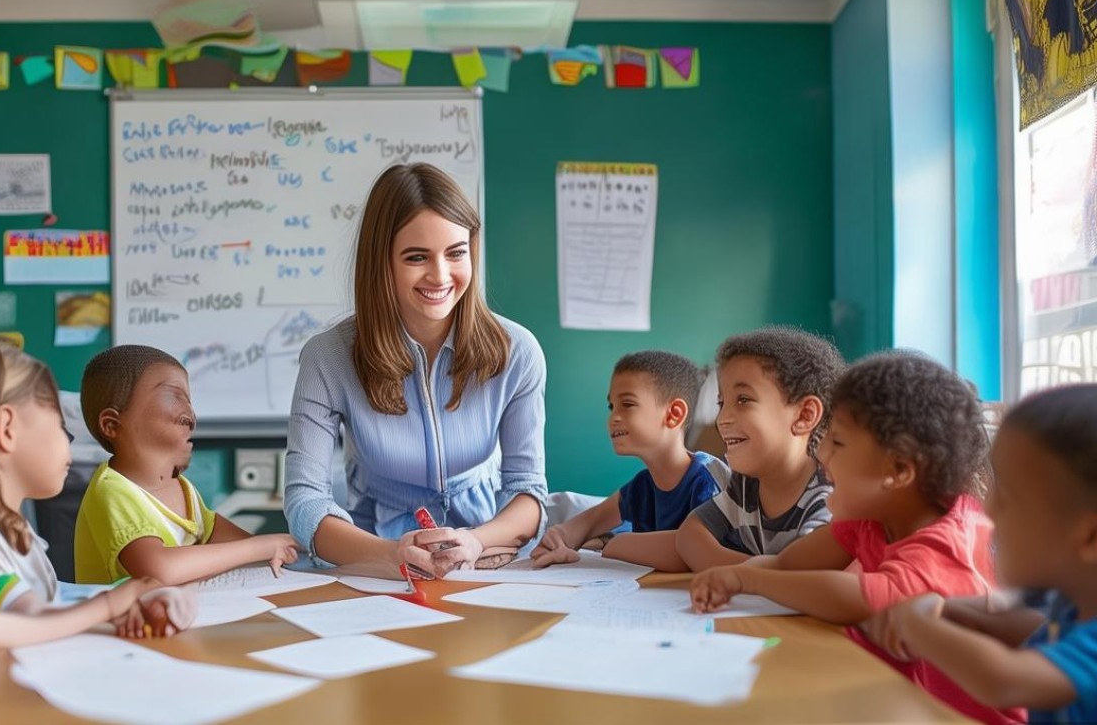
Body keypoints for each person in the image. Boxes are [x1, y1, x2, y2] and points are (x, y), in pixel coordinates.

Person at [690, 351, 1019, 725]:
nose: (822, 452)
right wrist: (736, 577)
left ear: (897, 469)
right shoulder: (874, 519)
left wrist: (748, 578)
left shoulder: (945, 544)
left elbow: (856, 598)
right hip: (911, 701)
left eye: (838, 442)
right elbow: (791, 562)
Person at [284, 162, 547, 577]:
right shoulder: (327, 357)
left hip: (488, 549)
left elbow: (527, 490)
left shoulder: (518, 351)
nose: (440, 276)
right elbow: (306, 502)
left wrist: (477, 541)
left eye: (456, 253)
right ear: (381, 262)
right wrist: (390, 555)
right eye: (416, 256)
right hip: (372, 554)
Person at [0, 335, 194, 637]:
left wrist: (133, 594)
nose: (68, 442)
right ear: (7, 430)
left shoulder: (7, 527)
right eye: (60, 427)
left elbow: (52, 597)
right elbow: (29, 616)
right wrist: (113, 602)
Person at [875, 383, 1097, 724]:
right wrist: (946, 607)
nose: (988, 508)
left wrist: (919, 625)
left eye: (1008, 496)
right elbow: (1020, 617)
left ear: (1090, 536)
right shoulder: (1067, 599)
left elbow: (1003, 680)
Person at [75, 345, 298, 585]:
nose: (190, 414)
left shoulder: (181, 486)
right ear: (111, 425)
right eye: (175, 396)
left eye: (189, 399)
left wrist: (283, 549)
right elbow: (159, 569)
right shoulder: (113, 491)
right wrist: (261, 547)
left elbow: (218, 536)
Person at [530, 350, 727, 570]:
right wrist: (557, 539)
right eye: (611, 406)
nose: (613, 418)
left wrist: (615, 544)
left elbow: (696, 551)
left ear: (674, 414)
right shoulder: (641, 486)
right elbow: (589, 521)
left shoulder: (706, 478)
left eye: (627, 404)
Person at [676, 326, 842, 569]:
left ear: (805, 415)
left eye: (743, 400)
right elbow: (689, 536)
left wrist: (740, 575)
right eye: (722, 403)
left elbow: (803, 576)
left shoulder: (829, 499)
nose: (722, 418)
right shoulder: (745, 486)